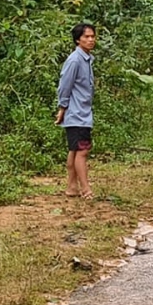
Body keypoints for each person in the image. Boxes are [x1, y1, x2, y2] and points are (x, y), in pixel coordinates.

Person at [55, 22, 96, 200]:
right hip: (76, 113)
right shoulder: (74, 60)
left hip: (82, 112)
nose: (91, 40)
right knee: (82, 151)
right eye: (86, 37)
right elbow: (65, 85)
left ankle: (72, 187)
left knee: (74, 150)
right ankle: (86, 189)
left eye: (92, 36)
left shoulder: (86, 58)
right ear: (78, 39)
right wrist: (62, 107)